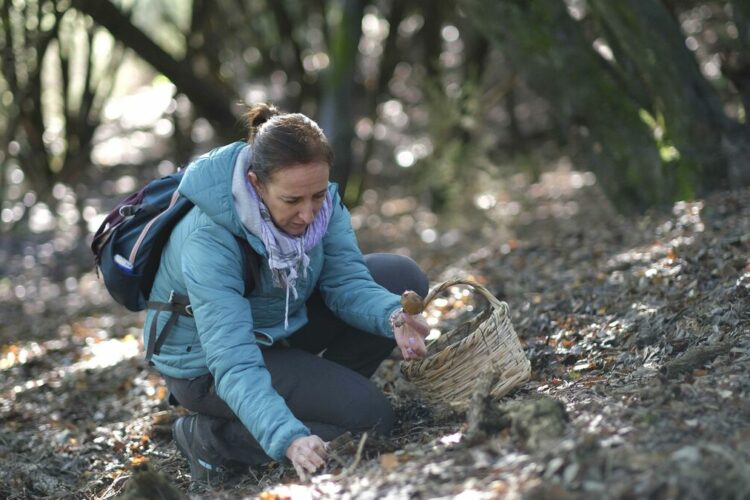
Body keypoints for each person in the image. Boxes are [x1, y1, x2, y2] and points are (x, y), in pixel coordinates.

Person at [143, 103, 431, 486]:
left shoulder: (320, 202)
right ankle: (212, 438)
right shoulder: (209, 240)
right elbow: (233, 360)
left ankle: (328, 398)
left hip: (276, 324)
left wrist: (391, 317)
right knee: (371, 418)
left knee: (399, 277)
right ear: (256, 184)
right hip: (208, 366)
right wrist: (287, 437)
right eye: (292, 201)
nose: (309, 214)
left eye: (317, 196)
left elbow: (346, 283)